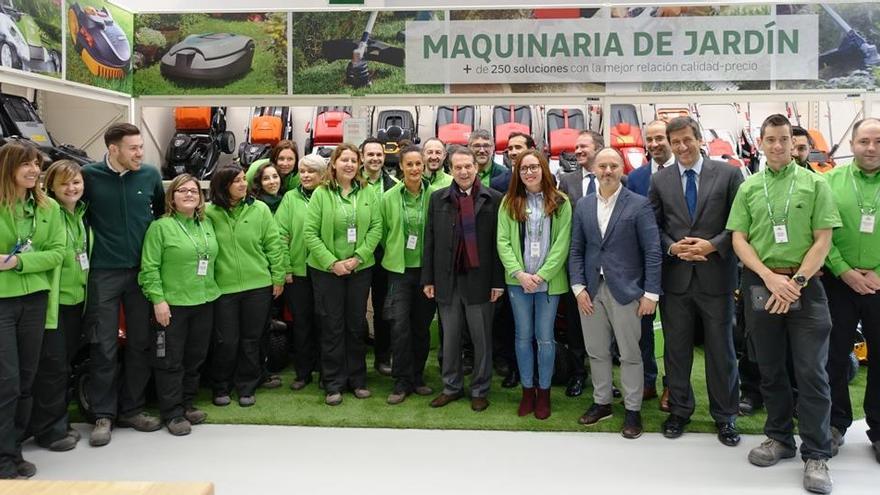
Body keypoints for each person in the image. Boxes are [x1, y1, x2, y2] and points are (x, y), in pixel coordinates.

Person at [727, 114, 839, 494]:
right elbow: (739, 239)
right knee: (769, 367)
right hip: (762, 284)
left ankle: (817, 453)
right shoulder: (749, 188)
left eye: (783, 139)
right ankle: (779, 438)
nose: (777, 146)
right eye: (770, 139)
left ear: (794, 144)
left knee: (811, 373)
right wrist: (771, 278)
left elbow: (823, 239)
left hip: (805, 287)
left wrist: (796, 281)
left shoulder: (815, 184)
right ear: (760, 142)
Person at [648, 116, 744, 446]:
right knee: (676, 352)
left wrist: (712, 245)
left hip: (715, 278)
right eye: (675, 143)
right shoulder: (661, 180)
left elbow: (739, 225)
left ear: (699, 138)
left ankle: (726, 416)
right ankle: (679, 410)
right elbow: (654, 227)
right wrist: (672, 247)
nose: (682, 147)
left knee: (722, 351)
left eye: (687, 140)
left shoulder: (729, 174)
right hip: (676, 280)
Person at [569, 148, 661, 439]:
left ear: (622, 170)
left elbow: (653, 251)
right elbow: (576, 250)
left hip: (627, 292)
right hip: (591, 292)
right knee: (596, 351)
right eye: (602, 166)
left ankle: (633, 410)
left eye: (612, 166)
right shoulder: (583, 206)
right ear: (594, 169)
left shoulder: (639, 204)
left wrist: (651, 294)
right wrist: (578, 287)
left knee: (631, 354)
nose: (607, 171)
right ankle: (602, 403)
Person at [81, 123, 164, 447]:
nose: (140, 154)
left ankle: (132, 409)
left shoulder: (150, 176)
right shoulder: (88, 177)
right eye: (133, 148)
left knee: (141, 343)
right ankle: (104, 414)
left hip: (143, 272)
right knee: (103, 344)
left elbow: (158, 213)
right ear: (113, 149)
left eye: (141, 147)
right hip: (104, 272)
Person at [423, 145, 504, 412]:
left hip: (480, 280)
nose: (464, 171)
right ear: (451, 169)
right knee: (450, 337)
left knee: (481, 338)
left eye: (468, 166)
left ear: (476, 167)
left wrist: (496, 282)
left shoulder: (494, 199)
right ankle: (451, 387)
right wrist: (429, 279)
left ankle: (480, 389)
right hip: (447, 279)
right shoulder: (438, 199)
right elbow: (430, 241)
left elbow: (497, 246)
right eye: (458, 167)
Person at [0, 143, 64, 479]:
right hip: (2, 301)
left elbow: (56, 253)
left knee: (26, 378)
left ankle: (13, 449)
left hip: (36, 298)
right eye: (25, 164)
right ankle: (3, 457)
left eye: (36, 164)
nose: (33, 170)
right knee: (6, 381)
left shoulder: (48, 207)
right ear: (8, 167)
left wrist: (15, 262)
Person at [139, 174, 220, 436]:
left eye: (194, 191)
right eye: (182, 191)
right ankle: (172, 412)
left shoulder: (204, 225)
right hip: (172, 304)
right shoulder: (160, 227)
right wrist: (158, 300)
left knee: (195, 358)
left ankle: (186, 403)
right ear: (171, 197)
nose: (189, 195)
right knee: (170, 360)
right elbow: (149, 268)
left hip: (204, 300)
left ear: (200, 197)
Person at [303, 144, 383, 406]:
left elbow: (376, 227)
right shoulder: (321, 194)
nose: (349, 164)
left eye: (353, 160)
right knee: (332, 326)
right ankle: (333, 383)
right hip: (327, 272)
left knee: (355, 324)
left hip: (359, 269)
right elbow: (310, 233)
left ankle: (357, 380)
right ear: (334, 164)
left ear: (359, 164)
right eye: (344, 160)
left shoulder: (369, 192)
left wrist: (358, 257)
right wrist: (332, 263)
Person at [822, 117, 880, 463]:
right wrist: (844, 271)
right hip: (838, 283)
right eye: (864, 142)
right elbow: (820, 233)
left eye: (878, 141)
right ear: (851, 145)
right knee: (833, 357)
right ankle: (834, 424)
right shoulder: (829, 182)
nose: (871, 148)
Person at [497, 150, 571, 419]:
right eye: (524, 168)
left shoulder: (561, 202)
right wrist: (520, 274)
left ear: (543, 169)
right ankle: (527, 391)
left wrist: (541, 276)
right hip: (519, 283)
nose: (529, 172)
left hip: (548, 283)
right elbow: (503, 242)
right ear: (518, 173)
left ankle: (545, 392)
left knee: (545, 338)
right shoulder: (509, 203)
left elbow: (562, 243)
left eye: (534, 167)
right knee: (522, 337)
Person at [206, 166, 286, 408]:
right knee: (226, 340)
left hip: (258, 285)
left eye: (243, 179)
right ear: (222, 186)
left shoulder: (260, 209)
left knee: (252, 339)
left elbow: (273, 244)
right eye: (237, 181)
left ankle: (247, 386)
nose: (243, 184)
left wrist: (278, 276)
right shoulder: (208, 213)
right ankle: (221, 386)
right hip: (223, 288)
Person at [28, 160, 87, 453]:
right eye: (64, 183)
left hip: (76, 302)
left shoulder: (81, 215)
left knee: (64, 367)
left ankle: (60, 422)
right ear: (50, 185)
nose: (71, 188)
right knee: (51, 368)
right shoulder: (47, 214)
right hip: (53, 304)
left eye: (76, 182)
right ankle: (49, 431)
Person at [381, 145, 437, 404]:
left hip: (427, 272)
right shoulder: (389, 197)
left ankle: (417, 377)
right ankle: (401, 381)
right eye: (410, 164)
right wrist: (393, 252)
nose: (415, 169)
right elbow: (381, 234)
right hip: (399, 272)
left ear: (424, 166)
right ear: (401, 167)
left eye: (418, 164)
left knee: (421, 327)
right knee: (400, 327)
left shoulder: (436, 196)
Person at [627, 119, 675, 405]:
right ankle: (647, 381)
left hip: (676, 263)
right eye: (650, 139)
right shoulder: (636, 177)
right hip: (643, 266)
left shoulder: (683, 173)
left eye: (660, 138)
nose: (655, 144)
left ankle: (672, 385)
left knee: (673, 329)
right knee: (643, 328)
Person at [556, 129, 604, 398]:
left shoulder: (619, 178)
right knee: (575, 324)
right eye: (576, 147)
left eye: (584, 146)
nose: (578, 151)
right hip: (575, 263)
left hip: (608, 266)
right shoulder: (566, 181)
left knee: (605, 325)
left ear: (598, 147)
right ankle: (577, 374)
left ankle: (604, 378)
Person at [276, 154, 327, 391]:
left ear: (323, 175)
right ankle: (303, 372)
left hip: (325, 271)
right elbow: (280, 235)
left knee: (326, 322)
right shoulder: (289, 198)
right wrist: (285, 268)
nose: (306, 176)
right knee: (302, 324)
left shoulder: (329, 195)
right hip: (297, 272)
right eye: (303, 171)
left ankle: (326, 371)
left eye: (311, 171)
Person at [361, 137, 396, 375]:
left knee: (384, 309)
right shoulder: (351, 182)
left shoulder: (394, 184)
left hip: (383, 256)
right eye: (370, 154)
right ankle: (356, 357)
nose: (375, 158)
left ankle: (383, 357)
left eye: (378, 154)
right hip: (356, 255)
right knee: (355, 310)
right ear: (362, 157)